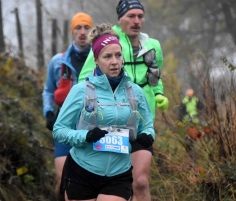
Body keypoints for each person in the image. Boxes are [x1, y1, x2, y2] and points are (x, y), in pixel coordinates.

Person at [53, 23, 155, 201]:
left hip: (119, 172)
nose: (114, 61)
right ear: (96, 60)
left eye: (118, 55)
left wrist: (147, 135)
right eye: (107, 56)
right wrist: (85, 136)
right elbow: (59, 130)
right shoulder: (80, 90)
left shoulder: (135, 91)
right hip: (82, 171)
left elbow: (148, 125)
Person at [78, 1, 168, 200]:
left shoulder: (153, 46)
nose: (136, 21)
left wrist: (159, 94)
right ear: (120, 18)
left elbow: (155, 76)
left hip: (142, 122)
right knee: (117, 182)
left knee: (141, 182)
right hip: (112, 122)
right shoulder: (109, 42)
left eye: (140, 16)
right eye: (131, 16)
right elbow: (84, 79)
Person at [42, 12, 93, 201]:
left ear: (91, 31)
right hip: (65, 123)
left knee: (88, 179)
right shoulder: (58, 61)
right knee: (63, 179)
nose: (82, 32)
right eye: (78, 28)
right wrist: (48, 113)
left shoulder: (100, 59)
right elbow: (48, 91)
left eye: (86, 27)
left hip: (91, 124)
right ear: (72, 31)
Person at [179, 88, 204, 161]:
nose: (190, 96)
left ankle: (197, 150)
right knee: (189, 138)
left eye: (191, 94)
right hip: (187, 123)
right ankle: (190, 152)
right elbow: (181, 112)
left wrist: (199, 115)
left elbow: (202, 109)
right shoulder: (184, 102)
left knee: (196, 136)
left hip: (196, 122)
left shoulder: (196, 100)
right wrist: (180, 121)